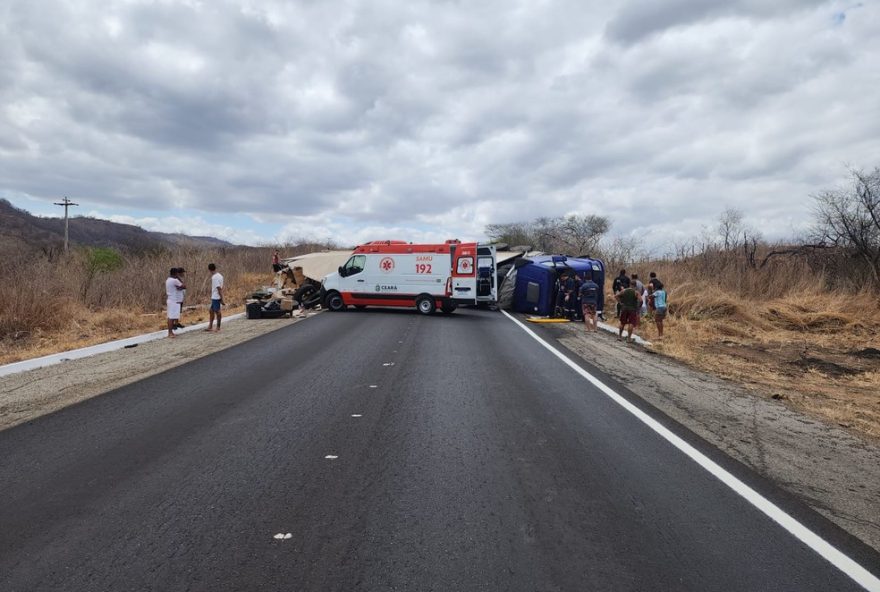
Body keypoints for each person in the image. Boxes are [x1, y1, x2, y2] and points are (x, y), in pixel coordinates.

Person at [165, 268, 185, 338]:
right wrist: (178, 278)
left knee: (170, 316)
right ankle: (170, 333)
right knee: (172, 317)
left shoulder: (168, 280)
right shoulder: (175, 280)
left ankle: (170, 332)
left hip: (170, 299)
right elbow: (184, 286)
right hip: (174, 300)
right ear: (176, 273)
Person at [207, 263, 224, 332]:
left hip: (216, 296)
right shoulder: (220, 275)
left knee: (218, 311)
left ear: (209, 270)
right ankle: (210, 326)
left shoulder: (214, 277)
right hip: (215, 296)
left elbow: (219, 288)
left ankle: (218, 327)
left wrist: (222, 298)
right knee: (211, 311)